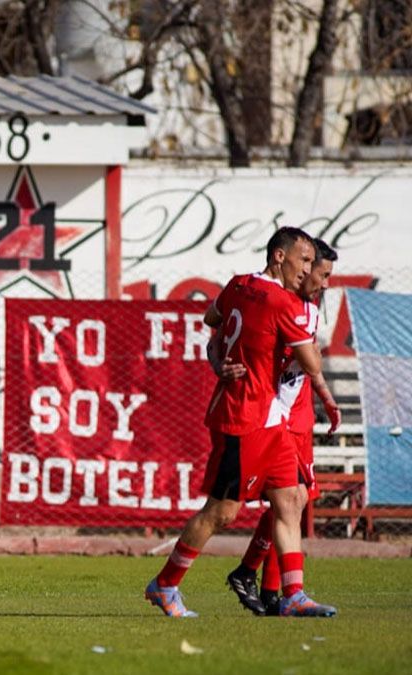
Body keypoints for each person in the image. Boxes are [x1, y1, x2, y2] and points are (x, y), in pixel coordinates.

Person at [144, 227, 338, 618]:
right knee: (223, 512)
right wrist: (302, 336)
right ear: (279, 257)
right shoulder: (281, 302)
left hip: (271, 418)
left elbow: (211, 317)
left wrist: (221, 361)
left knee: (289, 501)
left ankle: (293, 595)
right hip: (245, 416)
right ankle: (165, 584)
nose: (308, 269)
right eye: (303, 259)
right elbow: (312, 363)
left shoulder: (239, 284)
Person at [222, 239, 340, 616]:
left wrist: (325, 396)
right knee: (281, 501)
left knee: (292, 501)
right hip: (275, 416)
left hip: (297, 411)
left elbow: (309, 367)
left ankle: (270, 588)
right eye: (316, 271)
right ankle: (268, 585)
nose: (320, 280)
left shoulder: (307, 307)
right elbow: (218, 325)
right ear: (292, 264)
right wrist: (218, 362)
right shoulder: (278, 302)